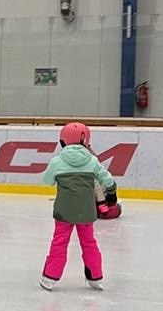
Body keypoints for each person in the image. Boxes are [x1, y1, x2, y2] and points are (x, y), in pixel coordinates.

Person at [39, 122, 118, 292]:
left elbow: (47, 181)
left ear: (63, 141)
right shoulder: (92, 161)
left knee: (59, 243)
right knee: (89, 242)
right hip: (86, 211)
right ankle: (96, 277)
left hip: (64, 211)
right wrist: (112, 192)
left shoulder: (57, 161)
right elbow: (107, 180)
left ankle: (50, 277)